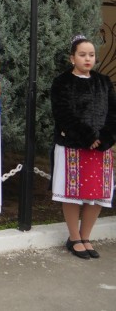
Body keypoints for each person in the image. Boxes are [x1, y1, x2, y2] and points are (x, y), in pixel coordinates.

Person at [50, 35, 116, 260]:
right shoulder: (62, 82)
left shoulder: (104, 82)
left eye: (91, 55)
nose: (88, 59)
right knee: (72, 194)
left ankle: (86, 236)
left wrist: (105, 138)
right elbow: (63, 114)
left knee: (97, 194)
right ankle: (74, 237)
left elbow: (113, 113)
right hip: (72, 146)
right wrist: (87, 136)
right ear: (72, 58)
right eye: (82, 54)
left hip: (100, 150)